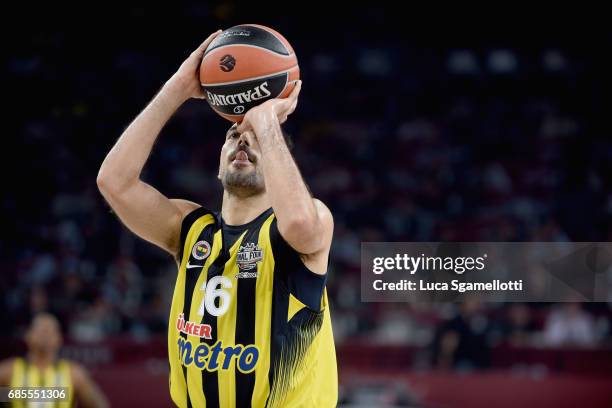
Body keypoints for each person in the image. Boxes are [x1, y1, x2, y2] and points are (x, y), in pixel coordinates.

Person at [96, 30, 338, 407]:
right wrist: (177, 87)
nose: (243, 140)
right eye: (232, 134)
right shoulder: (190, 229)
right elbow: (114, 183)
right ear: (217, 163)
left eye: (255, 137)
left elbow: (299, 225)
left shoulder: (304, 223)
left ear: (279, 165)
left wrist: (266, 121)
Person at [0, 313, 109, 408]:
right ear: (28, 336)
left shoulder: (74, 374)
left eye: (50, 331)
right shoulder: (8, 370)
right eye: (40, 330)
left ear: (59, 339)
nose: (45, 335)